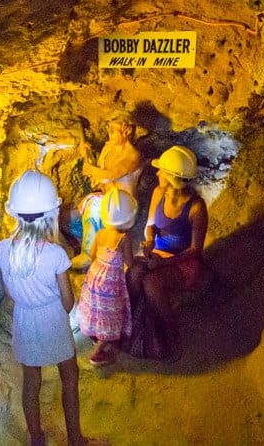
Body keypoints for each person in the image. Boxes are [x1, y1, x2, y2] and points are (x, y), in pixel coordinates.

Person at [0, 169, 92, 446]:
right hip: (53, 322)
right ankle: (75, 439)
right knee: (69, 377)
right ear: (51, 214)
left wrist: (28, 299)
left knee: (31, 381)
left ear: (15, 214)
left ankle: (36, 437)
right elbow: (68, 302)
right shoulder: (55, 254)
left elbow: (9, 292)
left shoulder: (2, 249)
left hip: (25, 319)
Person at [126, 145, 208, 360]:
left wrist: (164, 263)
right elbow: (151, 225)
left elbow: (195, 250)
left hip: (184, 261)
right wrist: (150, 241)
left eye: (162, 170)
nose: (158, 173)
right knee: (134, 272)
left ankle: (171, 335)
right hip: (159, 254)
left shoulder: (196, 208)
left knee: (152, 283)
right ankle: (128, 324)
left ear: (171, 177)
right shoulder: (158, 193)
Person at [70, 112, 142, 270]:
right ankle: (89, 246)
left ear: (126, 131)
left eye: (112, 131)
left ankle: (89, 255)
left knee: (94, 205)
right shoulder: (108, 148)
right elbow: (99, 176)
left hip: (123, 207)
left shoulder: (133, 156)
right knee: (71, 218)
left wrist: (90, 169)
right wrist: (87, 154)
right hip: (107, 199)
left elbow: (108, 176)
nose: (109, 134)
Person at [78, 188, 136, 366]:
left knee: (97, 309)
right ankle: (98, 352)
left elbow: (93, 254)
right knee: (111, 313)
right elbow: (130, 263)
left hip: (95, 276)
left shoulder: (101, 233)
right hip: (110, 284)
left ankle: (95, 333)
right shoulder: (124, 238)